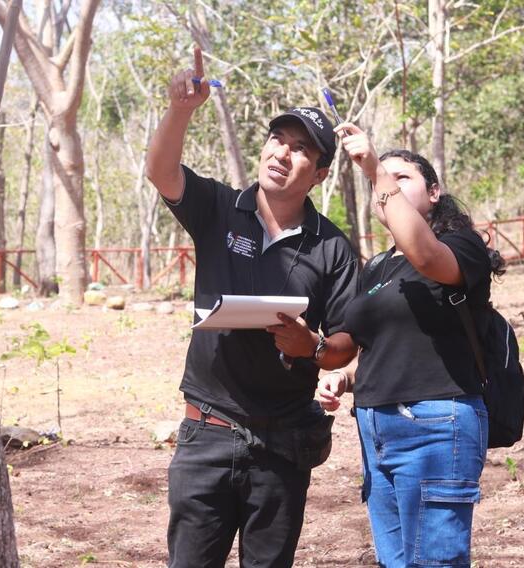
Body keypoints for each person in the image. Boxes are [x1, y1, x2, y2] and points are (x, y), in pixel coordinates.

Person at [145, 46, 359, 568]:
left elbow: (345, 344)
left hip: (284, 442)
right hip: (206, 432)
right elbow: (161, 171)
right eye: (277, 140)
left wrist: (311, 347)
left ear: (320, 173)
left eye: (300, 149)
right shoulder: (219, 207)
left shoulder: (332, 246)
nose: (282, 154)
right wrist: (180, 109)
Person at [316, 123, 506, 568]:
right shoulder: (379, 266)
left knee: (434, 562)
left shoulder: (459, 246)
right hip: (375, 427)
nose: (389, 184)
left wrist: (373, 169)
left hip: (437, 423)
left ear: (434, 192)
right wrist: (342, 376)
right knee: (395, 562)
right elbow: (376, 346)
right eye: (386, 179)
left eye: (402, 177)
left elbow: (424, 252)